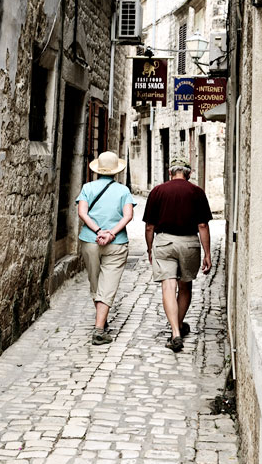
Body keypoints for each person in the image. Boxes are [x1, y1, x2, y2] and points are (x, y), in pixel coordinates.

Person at [144, 156, 213, 352]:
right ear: (189, 173)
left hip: (164, 242)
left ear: (170, 172)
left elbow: (150, 226)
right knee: (185, 287)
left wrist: (150, 249)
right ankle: (179, 325)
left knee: (168, 287)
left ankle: (175, 332)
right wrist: (207, 253)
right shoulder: (197, 192)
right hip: (189, 243)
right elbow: (202, 225)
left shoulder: (158, 191)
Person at [76, 150, 136, 345]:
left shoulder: (87, 187)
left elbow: (82, 213)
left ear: (97, 170)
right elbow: (128, 216)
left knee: (95, 282)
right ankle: (99, 329)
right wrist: (111, 233)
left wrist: (98, 230)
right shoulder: (123, 191)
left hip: (90, 241)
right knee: (108, 285)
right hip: (116, 243)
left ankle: (100, 322)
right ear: (116, 171)